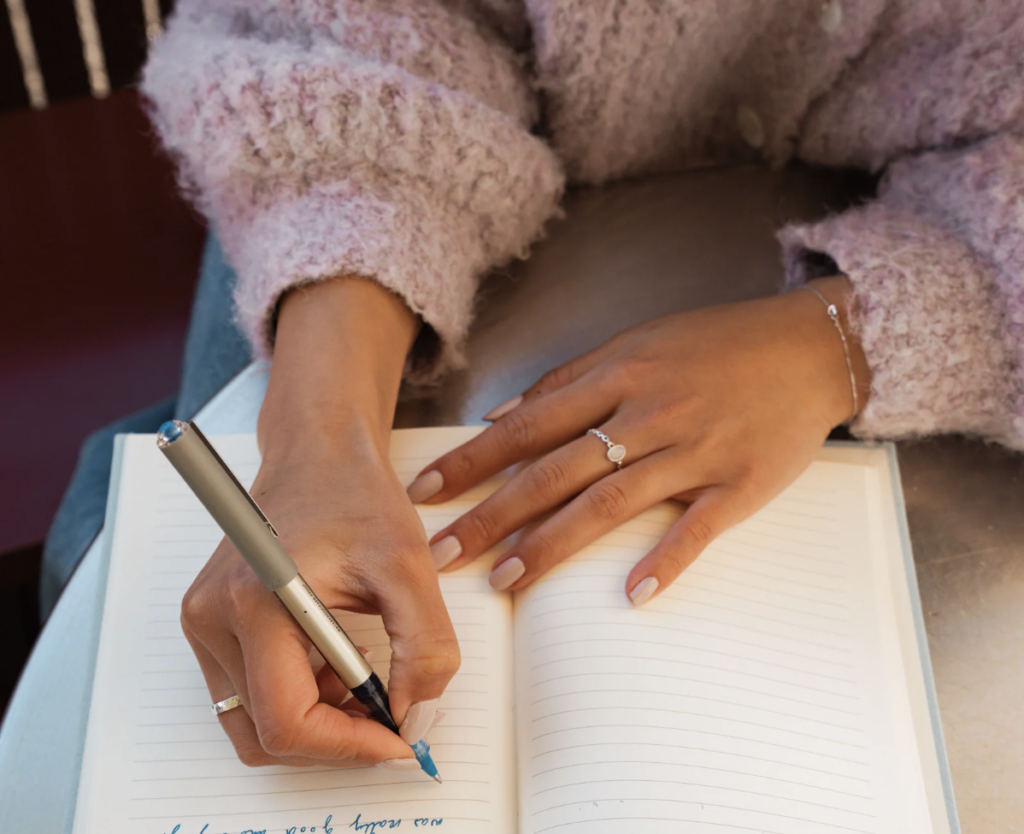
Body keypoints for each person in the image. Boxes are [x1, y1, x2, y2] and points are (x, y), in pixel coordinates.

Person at [57, 0, 1024, 771]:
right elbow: (332, 35)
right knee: (107, 541)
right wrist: (316, 431)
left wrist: (846, 342)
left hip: (963, 232)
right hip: (356, 144)